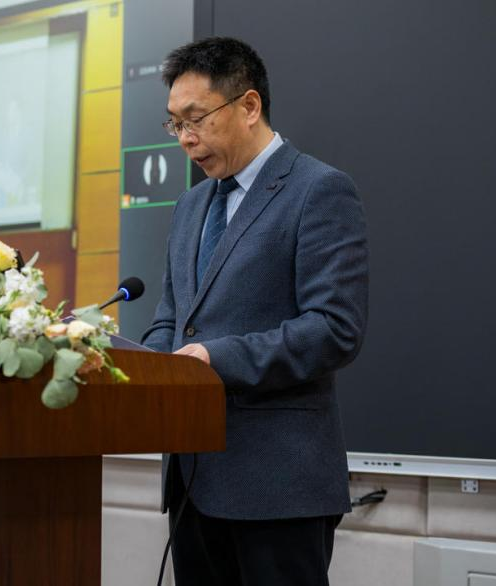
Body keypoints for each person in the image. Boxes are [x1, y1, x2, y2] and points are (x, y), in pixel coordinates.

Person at [141, 37, 369, 585]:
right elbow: (172, 317)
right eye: (175, 124)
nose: (186, 138)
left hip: (278, 486)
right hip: (193, 480)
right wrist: (143, 365)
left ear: (248, 106)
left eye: (196, 119)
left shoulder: (318, 190)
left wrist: (214, 359)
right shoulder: (191, 204)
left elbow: (334, 328)